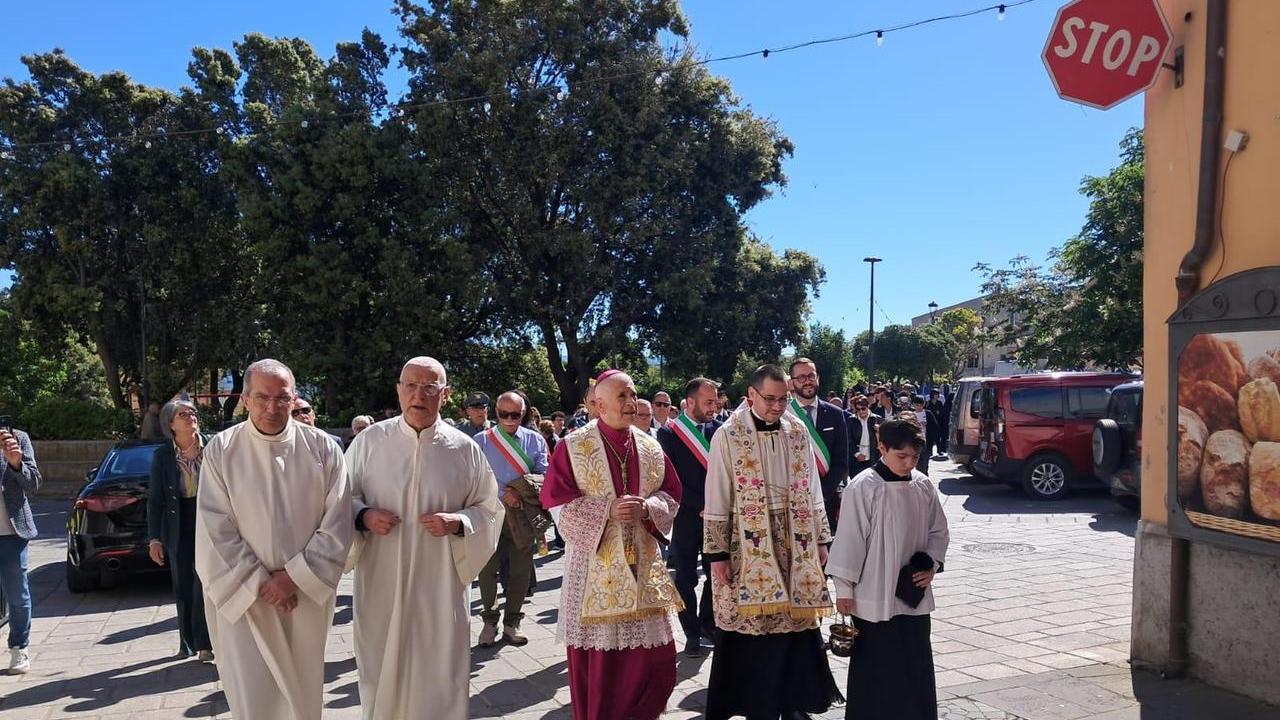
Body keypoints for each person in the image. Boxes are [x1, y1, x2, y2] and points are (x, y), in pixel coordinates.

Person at [346, 357, 503, 720]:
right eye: (411, 386)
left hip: (440, 585)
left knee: (439, 671)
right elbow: (339, 498)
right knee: (380, 666)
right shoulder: (369, 442)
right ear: (399, 391)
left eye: (429, 387)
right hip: (380, 578)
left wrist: (459, 520)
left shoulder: (464, 449)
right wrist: (364, 515)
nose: (419, 394)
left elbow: (490, 507)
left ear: (444, 395)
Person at [195, 359, 352, 720]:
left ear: (294, 398)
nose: (271, 407)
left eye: (281, 398)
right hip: (246, 599)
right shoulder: (221, 450)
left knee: (302, 694)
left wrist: (291, 578)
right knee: (253, 698)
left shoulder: (324, 449)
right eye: (262, 397)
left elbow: (337, 523)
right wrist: (260, 582)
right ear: (246, 399)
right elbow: (214, 528)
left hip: (304, 598)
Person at [541, 370, 683, 720]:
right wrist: (607, 509)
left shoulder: (651, 446)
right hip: (594, 572)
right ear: (598, 404)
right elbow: (556, 502)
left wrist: (648, 507)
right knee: (603, 669)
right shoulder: (574, 446)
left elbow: (672, 493)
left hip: (643, 566)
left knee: (657, 664)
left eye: (633, 394)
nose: (631, 402)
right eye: (622, 396)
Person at [704, 364, 841, 720]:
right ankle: (756, 703)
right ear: (751, 395)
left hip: (795, 540)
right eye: (770, 399)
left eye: (783, 399)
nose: (777, 406)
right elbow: (717, 493)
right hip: (745, 541)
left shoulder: (797, 431)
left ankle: (792, 700)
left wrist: (822, 538)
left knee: (793, 624)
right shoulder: (728, 435)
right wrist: (717, 554)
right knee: (752, 629)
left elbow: (812, 490)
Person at [827, 418, 950, 720]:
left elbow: (939, 530)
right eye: (901, 456)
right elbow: (850, 539)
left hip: (913, 593)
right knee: (875, 668)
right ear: (882, 448)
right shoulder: (863, 486)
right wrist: (844, 589)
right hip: (872, 593)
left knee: (915, 664)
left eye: (915, 457)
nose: (909, 463)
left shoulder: (922, 484)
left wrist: (932, 564)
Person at [472, 391, 550, 648]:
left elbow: (545, 475)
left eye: (515, 414)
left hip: (522, 514)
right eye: (503, 414)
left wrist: (521, 490)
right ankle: (489, 621)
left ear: (523, 413)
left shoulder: (535, 440)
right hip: (489, 513)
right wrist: (502, 495)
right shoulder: (481, 440)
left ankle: (512, 622)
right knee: (486, 571)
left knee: (520, 571)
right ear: (496, 413)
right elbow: (473, 479)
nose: (508, 419)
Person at [655, 377, 722, 658]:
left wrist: (717, 505)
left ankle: (708, 622)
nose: (714, 407)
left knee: (716, 574)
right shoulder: (669, 434)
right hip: (686, 517)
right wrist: (700, 505)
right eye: (708, 402)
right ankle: (691, 632)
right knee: (685, 578)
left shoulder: (720, 430)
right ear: (690, 402)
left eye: (716, 401)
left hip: (716, 516)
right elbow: (671, 480)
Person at [147, 400, 213, 662]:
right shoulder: (163, 455)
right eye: (182, 414)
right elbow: (156, 499)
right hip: (178, 522)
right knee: (184, 584)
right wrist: (154, 538)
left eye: (193, 413)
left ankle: (206, 643)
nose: (190, 417)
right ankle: (186, 641)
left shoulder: (212, 445)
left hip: (209, 519)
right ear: (170, 424)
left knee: (205, 582)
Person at [788, 357, 850, 531]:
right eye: (801, 377)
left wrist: (822, 492)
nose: (807, 381)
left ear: (818, 378)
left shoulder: (836, 414)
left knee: (826, 556)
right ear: (792, 383)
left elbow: (841, 460)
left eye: (811, 376)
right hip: (791, 502)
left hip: (826, 500)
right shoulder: (783, 415)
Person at [0, 422, 41, 674]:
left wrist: (16, 463)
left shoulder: (17, 437)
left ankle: (19, 647)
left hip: (12, 533)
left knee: (17, 594)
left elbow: (34, 483)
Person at [849, 399, 881, 476]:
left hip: (873, 457)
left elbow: (885, 439)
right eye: (858, 409)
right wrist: (857, 454)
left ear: (868, 407)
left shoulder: (877, 419)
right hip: (856, 458)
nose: (861, 411)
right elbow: (848, 439)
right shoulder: (851, 420)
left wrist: (880, 431)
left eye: (863, 408)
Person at [911, 396, 941, 475]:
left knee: (925, 462)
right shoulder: (911, 414)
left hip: (926, 441)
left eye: (921, 405)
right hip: (915, 442)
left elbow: (935, 426)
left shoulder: (928, 413)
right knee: (917, 462)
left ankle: (924, 476)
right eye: (917, 405)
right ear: (914, 405)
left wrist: (927, 425)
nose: (919, 407)